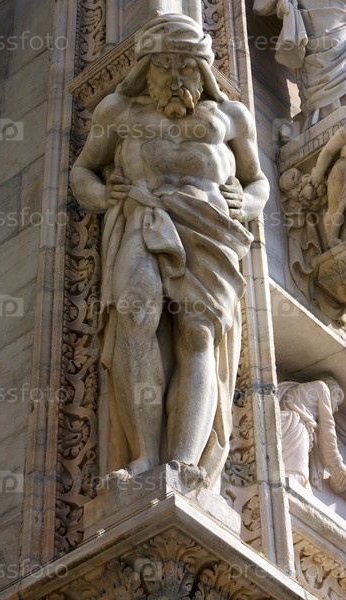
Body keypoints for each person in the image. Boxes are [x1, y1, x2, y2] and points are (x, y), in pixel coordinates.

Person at [70, 14, 269, 491]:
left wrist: (246, 203)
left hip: (211, 229)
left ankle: (183, 462)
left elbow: (258, 182)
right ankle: (144, 455)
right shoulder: (119, 112)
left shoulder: (231, 117)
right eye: (165, 67)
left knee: (198, 335)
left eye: (187, 68)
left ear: (203, 70)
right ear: (146, 69)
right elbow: (83, 172)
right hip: (145, 216)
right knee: (135, 316)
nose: (177, 79)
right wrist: (104, 196)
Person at [253, 0, 346, 129]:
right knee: (329, 75)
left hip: (339, 24)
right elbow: (260, 6)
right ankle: (326, 116)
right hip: (321, 30)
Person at [311, 125, 346, 248]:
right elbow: (328, 151)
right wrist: (319, 172)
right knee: (336, 205)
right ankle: (331, 237)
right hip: (342, 171)